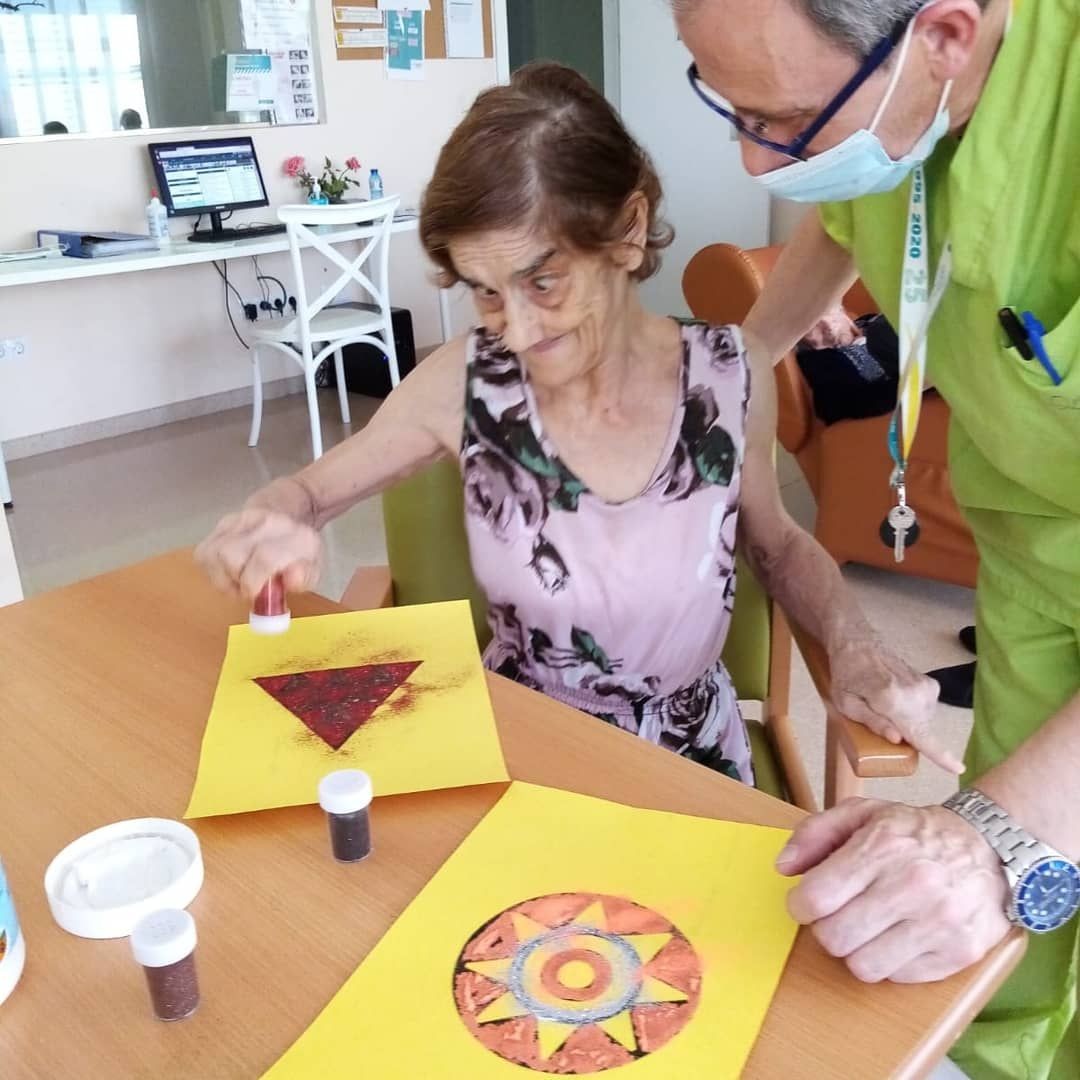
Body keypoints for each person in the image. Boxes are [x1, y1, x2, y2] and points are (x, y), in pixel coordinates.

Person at [197, 62, 954, 791]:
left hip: (692, 756)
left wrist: (855, 642)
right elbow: (307, 495)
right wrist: (272, 519)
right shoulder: (467, 379)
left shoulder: (731, 372)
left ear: (629, 230)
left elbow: (777, 545)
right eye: (485, 292)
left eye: (543, 281)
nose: (517, 328)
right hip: (521, 747)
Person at [674, 0, 1080, 1075]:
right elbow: (844, 217)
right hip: (1036, 558)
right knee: (1007, 946)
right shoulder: (905, 111)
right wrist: (740, 361)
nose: (756, 162)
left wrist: (1000, 837)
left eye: (786, 120)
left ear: (946, 35)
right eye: (730, 108)